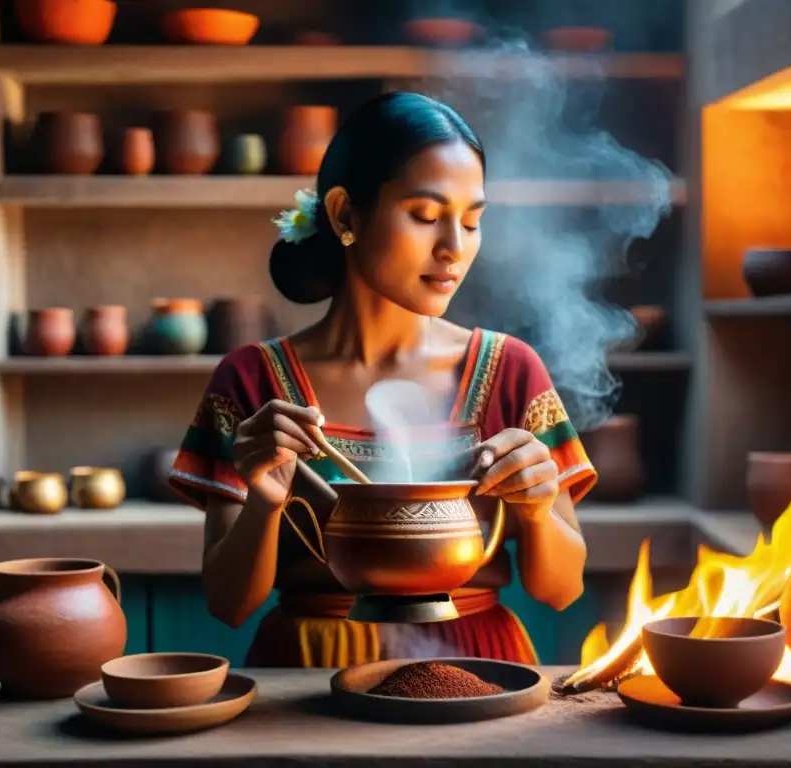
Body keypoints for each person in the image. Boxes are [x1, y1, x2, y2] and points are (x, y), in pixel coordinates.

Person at [169, 91, 597, 668]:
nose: (454, 249)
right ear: (346, 214)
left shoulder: (510, 371)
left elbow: (561, 590)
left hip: (474, 664)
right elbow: (228, 604)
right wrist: (264, 503)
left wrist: (540, 508)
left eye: (472, 222)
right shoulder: (251, 380)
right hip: (310, 673)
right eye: (425, 216)